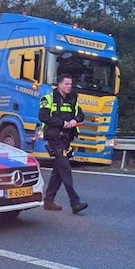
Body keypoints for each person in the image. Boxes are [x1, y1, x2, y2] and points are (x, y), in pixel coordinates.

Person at [39, 75, 88, 213]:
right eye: (66, 84)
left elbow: (81, 115)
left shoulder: (73, 99)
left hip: (66, 138)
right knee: (65, 168)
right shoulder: (48, 98)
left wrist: (74, 121)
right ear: (59, 85)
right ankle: (75, 202)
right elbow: (43, 117)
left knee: (58, 171)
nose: (69, 86)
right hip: (54, 138)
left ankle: (48, 201)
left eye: (70, 84)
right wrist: (62, 123)